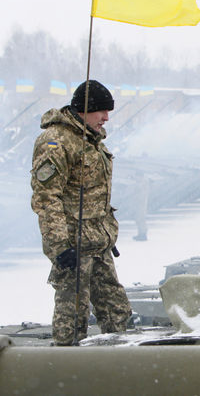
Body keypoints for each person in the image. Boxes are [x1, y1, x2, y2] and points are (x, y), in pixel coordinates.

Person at [30, 80, 131, 346]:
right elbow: (46, 197)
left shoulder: (92, 141)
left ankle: (119, 372)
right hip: (73, 247)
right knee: (72, 320)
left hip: (98, 244)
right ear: (85, 110)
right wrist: (60, 247)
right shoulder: (57, 142)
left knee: (116, 312)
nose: (106, 118)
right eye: (101, 111)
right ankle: (68, 373)